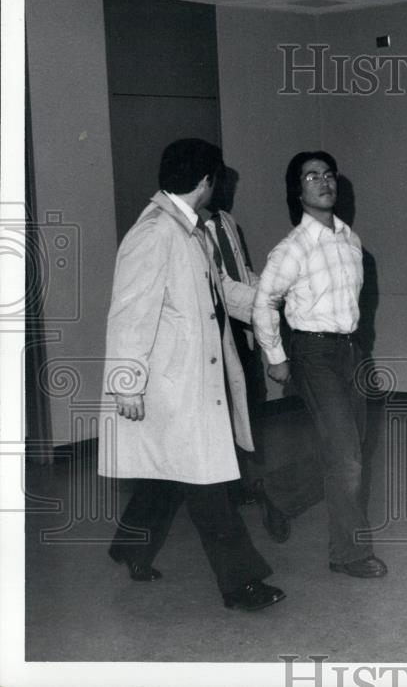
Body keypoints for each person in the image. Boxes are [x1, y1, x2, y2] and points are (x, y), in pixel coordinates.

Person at [101, 138, 284, 612]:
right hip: (172, 385)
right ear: (207, 181)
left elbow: (220, 290)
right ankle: (240, 584)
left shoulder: (192, 231)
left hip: (194, 380)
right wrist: (126, 384)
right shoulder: (155, 233)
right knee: (207, 486)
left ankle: (130, 546)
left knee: (169, 473)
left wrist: (271, 300)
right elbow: (128, 313)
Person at [252, 151, 387, 579]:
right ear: (298, 190)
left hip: (351, 352)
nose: (324, 182)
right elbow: (263, 304)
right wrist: (277, 357)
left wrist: (361, 347)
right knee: (346, 457)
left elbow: (356, 303)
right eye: (312, 177)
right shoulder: (292, 248)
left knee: (348, 452)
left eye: (329, 174)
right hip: (313, 355)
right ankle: (347, 553)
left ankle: (277, 494)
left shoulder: (351, 240)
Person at [202, 170, 291, 543]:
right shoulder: (196, 229)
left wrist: (271, 289)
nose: (227, 192)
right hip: (215, 334)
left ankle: (237, 484)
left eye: (230, 186)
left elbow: (242, 272)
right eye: (221, 185)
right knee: (220, 417)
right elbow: (219, 284)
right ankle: (223, 490)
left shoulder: (226, 222)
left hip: (242, 332)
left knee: (247, 408)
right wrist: (261, 304)